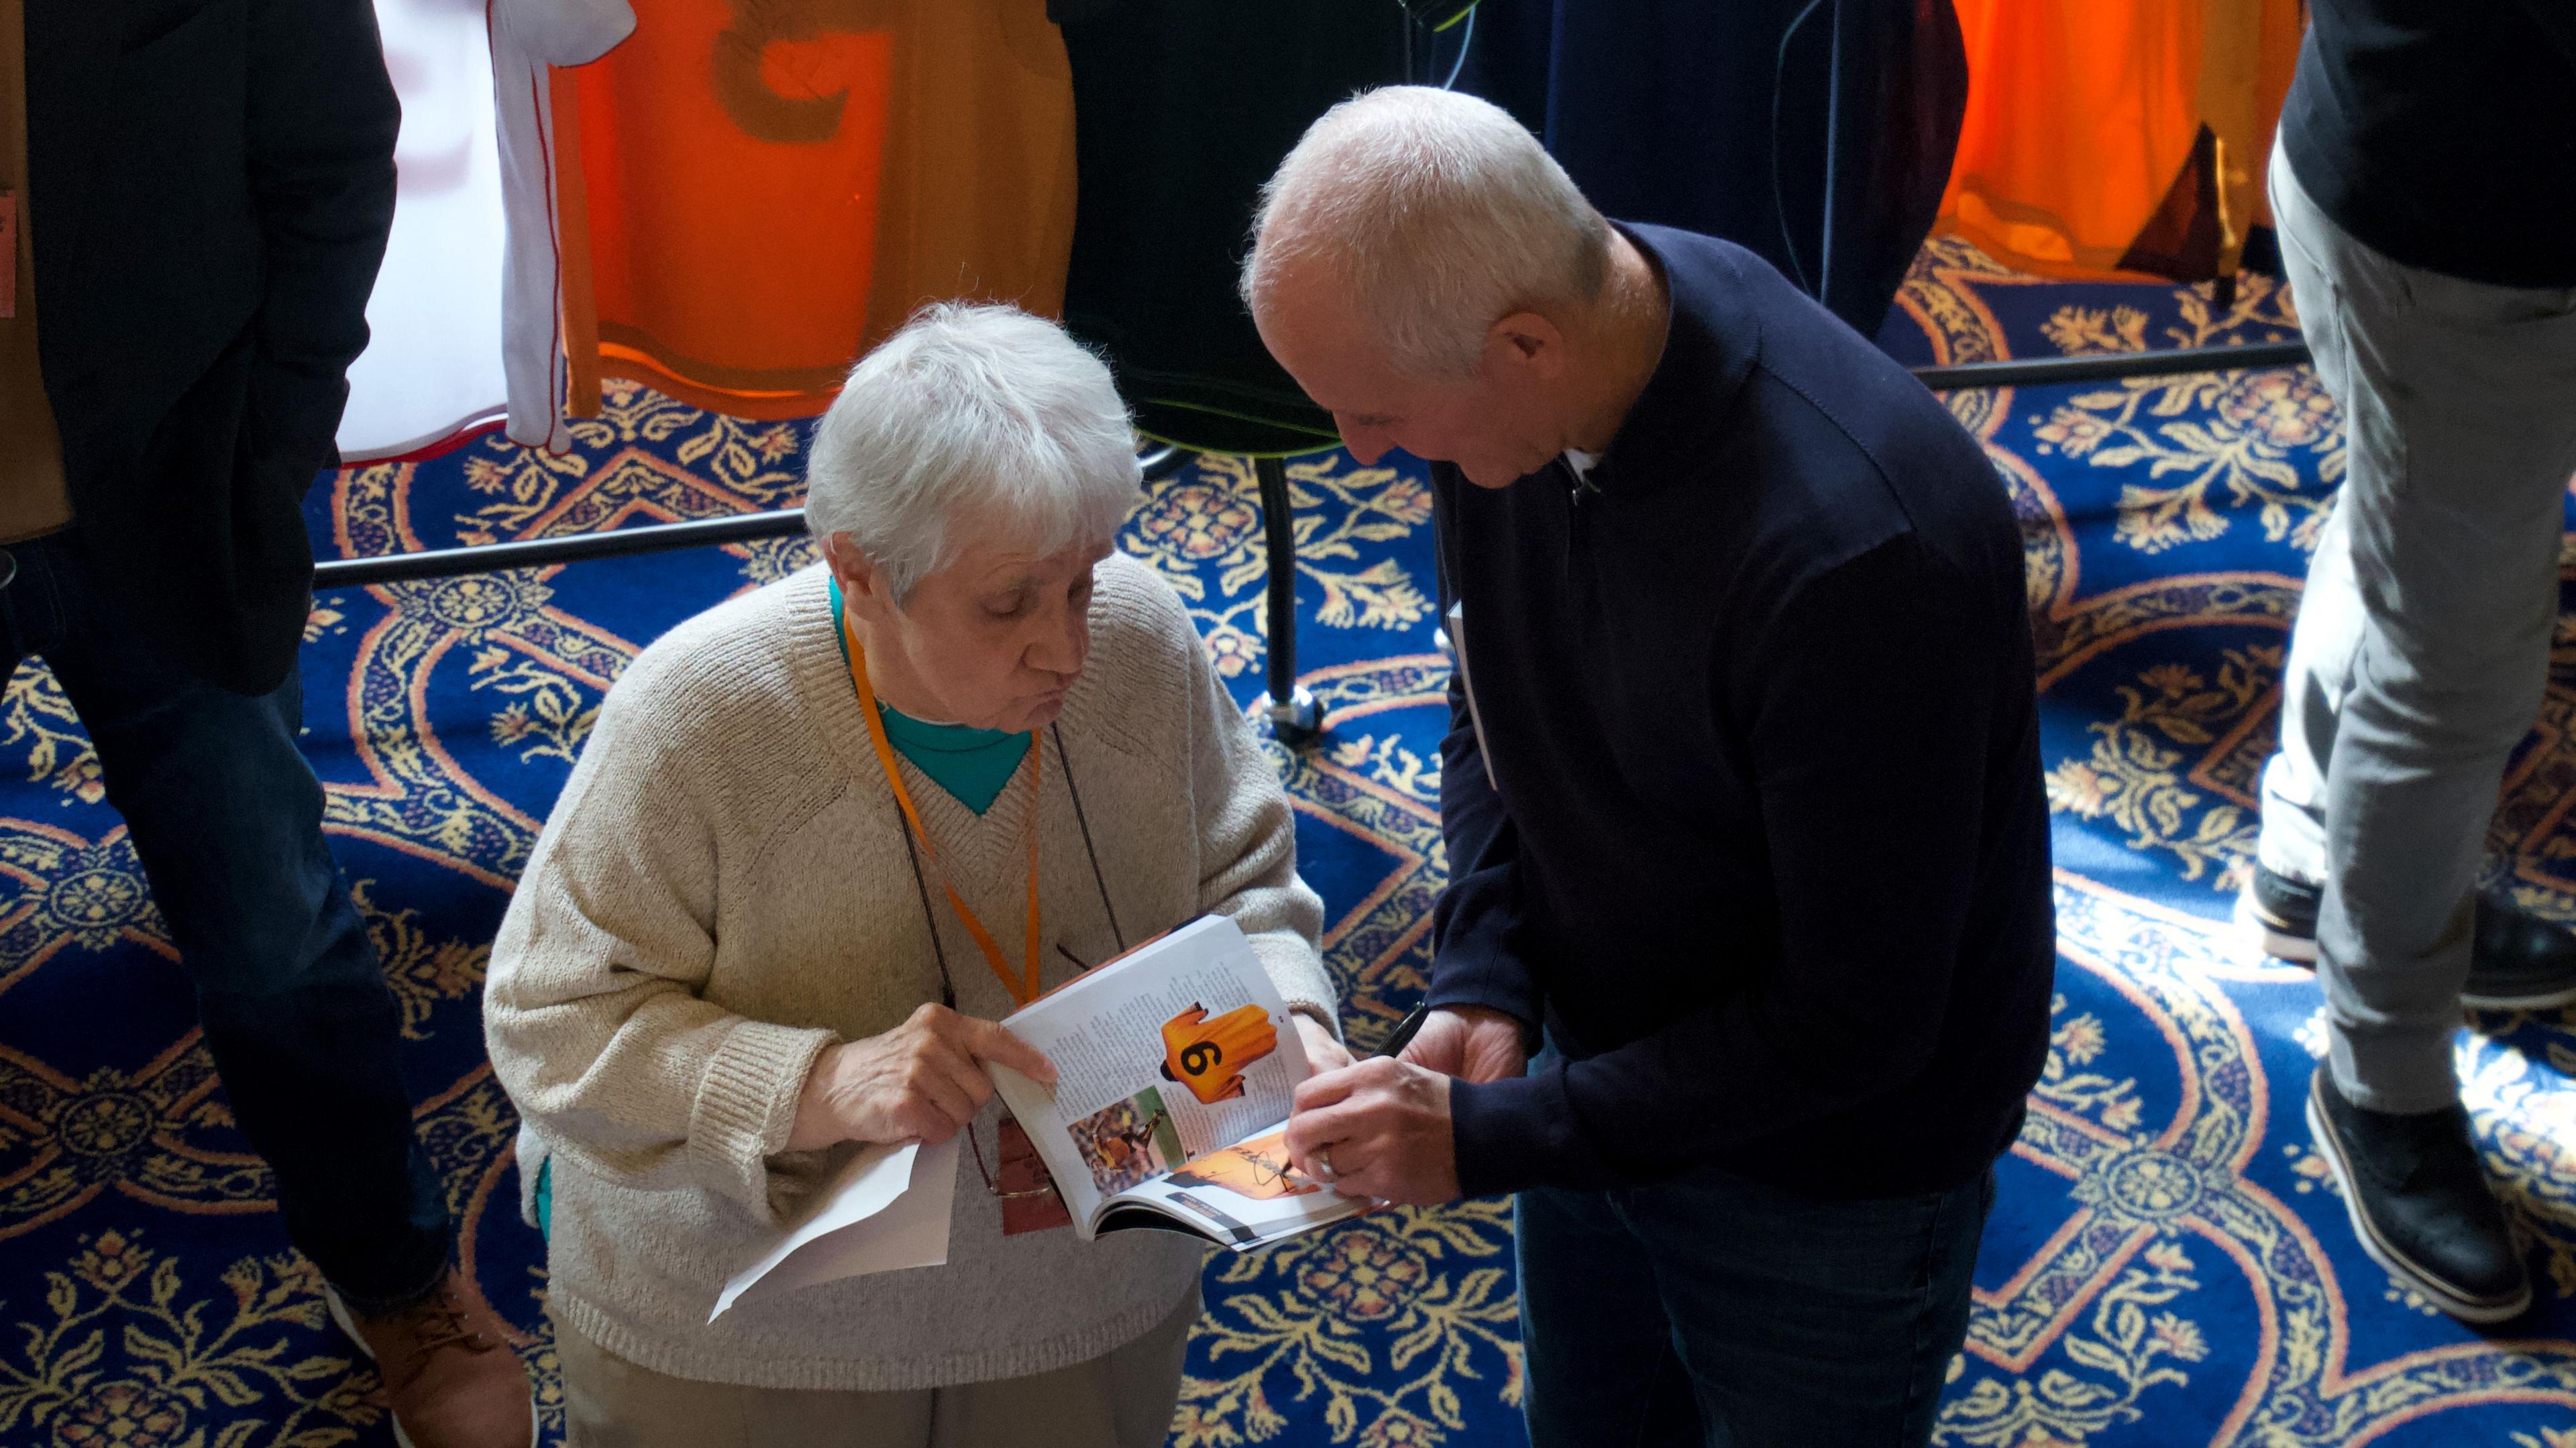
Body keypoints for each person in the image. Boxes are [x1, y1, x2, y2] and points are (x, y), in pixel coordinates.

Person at [1248, 89, 2056, 1447]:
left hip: (1822, 1183)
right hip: (1592, 1085)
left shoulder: (1858, 560)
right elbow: (1493, 696)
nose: (1362, 454)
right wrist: (1490, 969)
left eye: (1376, 413)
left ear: (1524, 344)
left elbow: (1855, 1025)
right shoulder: (1521, 373)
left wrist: (1496, 1141)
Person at [482, 303, 1346, 1448]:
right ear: (860, 572)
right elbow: (551, 1022)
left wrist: (1290, 1017)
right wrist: (820, 1086)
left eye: (1082, 581)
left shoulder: (1143, 639)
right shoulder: (700, 713)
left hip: (1081, 1296)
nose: (1067, 649)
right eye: (1008, 603)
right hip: (747, 1326)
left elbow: (1249, 880)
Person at [3, 2, 535, 1443]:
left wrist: (269, 444)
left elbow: (331, 156)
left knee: (277, 935)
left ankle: (396, 1276)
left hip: (163, 506)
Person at [2236, 0, 2576, 1323]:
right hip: (2464, 239)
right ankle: (2381, 1077)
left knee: (2407, 522)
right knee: (2454, 679)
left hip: (2383, 161)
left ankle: (2316, 854)